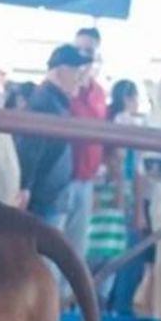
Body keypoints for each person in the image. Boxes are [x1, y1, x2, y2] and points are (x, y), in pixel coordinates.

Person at [15, 44, 91, 240]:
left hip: (49, 196)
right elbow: (30, 148)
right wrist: (25, 187)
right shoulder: (45, 102)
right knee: (43, 256)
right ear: (61, 70)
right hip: (44, 198)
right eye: (76, 71)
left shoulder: (51, 100)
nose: (79, 79)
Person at [102, 80, 151, 315]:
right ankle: (120, 310)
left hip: (104, 197)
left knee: (104, 255)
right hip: (126, 196)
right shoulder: (132, 124)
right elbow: (132, 168)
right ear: (129, 98)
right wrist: (138, 208)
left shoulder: (108, 121)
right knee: (127, 257)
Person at [64, 28, 107, 275]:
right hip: (63, 180)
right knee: (53, 245)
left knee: (76, 249)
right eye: (79, 49)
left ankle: (65, 307)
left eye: (89, 51)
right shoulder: (63, 89)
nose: (83, 56)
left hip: (87, 180)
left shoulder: (100, 92)